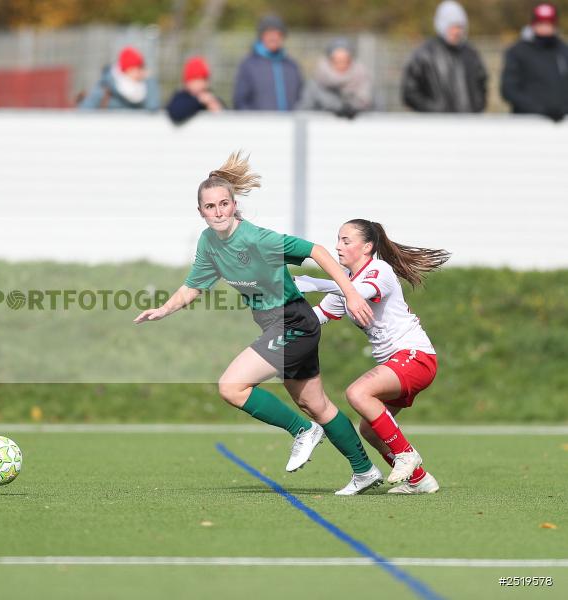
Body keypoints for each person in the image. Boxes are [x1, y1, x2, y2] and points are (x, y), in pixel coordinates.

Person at [134, 152, 383, 496]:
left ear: (234, 206)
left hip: (293, 321)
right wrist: (164, 309)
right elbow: (194, 286)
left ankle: (302, 431)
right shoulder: (208, 242)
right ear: (201, 211)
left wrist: (351, 293)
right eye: (210, 206)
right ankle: (364, 470)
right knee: (316, 405)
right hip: (277, 325)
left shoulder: (256, 238)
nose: (218, 212)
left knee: (231, 386)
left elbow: (316, 250)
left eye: (224, 204)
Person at [295, 220, 450, 494]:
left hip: (415, 357)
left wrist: (314, 282)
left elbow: (359, 292)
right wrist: (280, 314)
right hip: (397, 364)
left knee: (357, 393)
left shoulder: (379, 270)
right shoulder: (346, 282)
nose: (337, 246)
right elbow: (317, 317)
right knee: (369, 430)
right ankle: (419, 480)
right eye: (338, 239)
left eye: (346, 241)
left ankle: (406, 454)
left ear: (367, 247)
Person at [401, 0, 487, 113]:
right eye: (452, 26)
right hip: (436, 122)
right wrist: (433, 110)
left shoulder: (470, 54)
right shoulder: (425, 54)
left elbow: (481, 85)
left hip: (467, 121)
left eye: (459, 27)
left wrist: (476, 108)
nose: (456, 31)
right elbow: (410, 92)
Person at [501, 3, 568, 122]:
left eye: (549, 23)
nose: (545, 28)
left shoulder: (563, 51)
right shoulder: (518, 51)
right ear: (533, 24)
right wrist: (540, 110)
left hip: (561, 122)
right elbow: (509, 89)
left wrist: (562, 108)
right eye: (541, 23)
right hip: (528, 121)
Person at [233, 15, 302, 111]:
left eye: (278, 33)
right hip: (259, 120)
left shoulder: (291, 66)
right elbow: (240, 101)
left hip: (289, 120)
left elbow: (301, 98)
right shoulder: (249, 65)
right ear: (261, 36)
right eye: (269, 33)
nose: (273, 37)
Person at [297, 38, 373, 118]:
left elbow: (374, 110)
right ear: (330, 61)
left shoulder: (364, 81)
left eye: (345, 60)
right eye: (337, 61)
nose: (341, 65)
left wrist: (355, 110)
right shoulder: (315, 85)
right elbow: (303, 111)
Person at [77, 46, 160, 111]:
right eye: (138, 68)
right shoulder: (104, 91)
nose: (141, 72)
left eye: (142, 68)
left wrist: (150, 81)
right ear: (127, 70)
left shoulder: (145, 88)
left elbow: (153, 107)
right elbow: (83, 113)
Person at [165, 56, 224, 124]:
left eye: (203, 79)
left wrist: (215, 106)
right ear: (188, 82)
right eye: (197, 79)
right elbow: (176, 113)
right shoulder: (181, 96)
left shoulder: (209, 97)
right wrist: (198, 101)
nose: (200, 84)